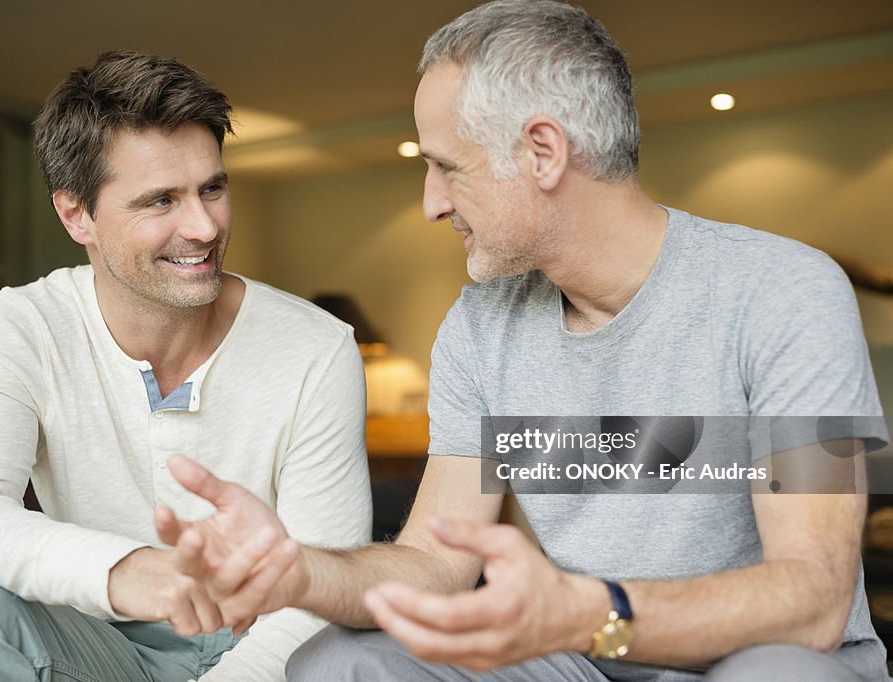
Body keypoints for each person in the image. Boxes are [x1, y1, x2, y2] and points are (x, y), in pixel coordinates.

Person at [154, 2, 891, 680]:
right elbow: (434, 563)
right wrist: (299, 572)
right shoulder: (480, 327)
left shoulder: (786, 291)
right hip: (576, 661)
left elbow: (812, 598)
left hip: (760, 659)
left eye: (446, 167)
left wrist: (581, 610)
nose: (431, 204)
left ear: (543, 151)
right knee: (341, 661)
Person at [0, 50, 372, 681]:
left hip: (266, 645)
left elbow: (324, 591)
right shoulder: (25, 325)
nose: (202, 226)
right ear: (75, 215)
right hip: (94, 634)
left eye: (212, 188)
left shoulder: (318, 347)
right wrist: (125, 570)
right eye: (160, 201)